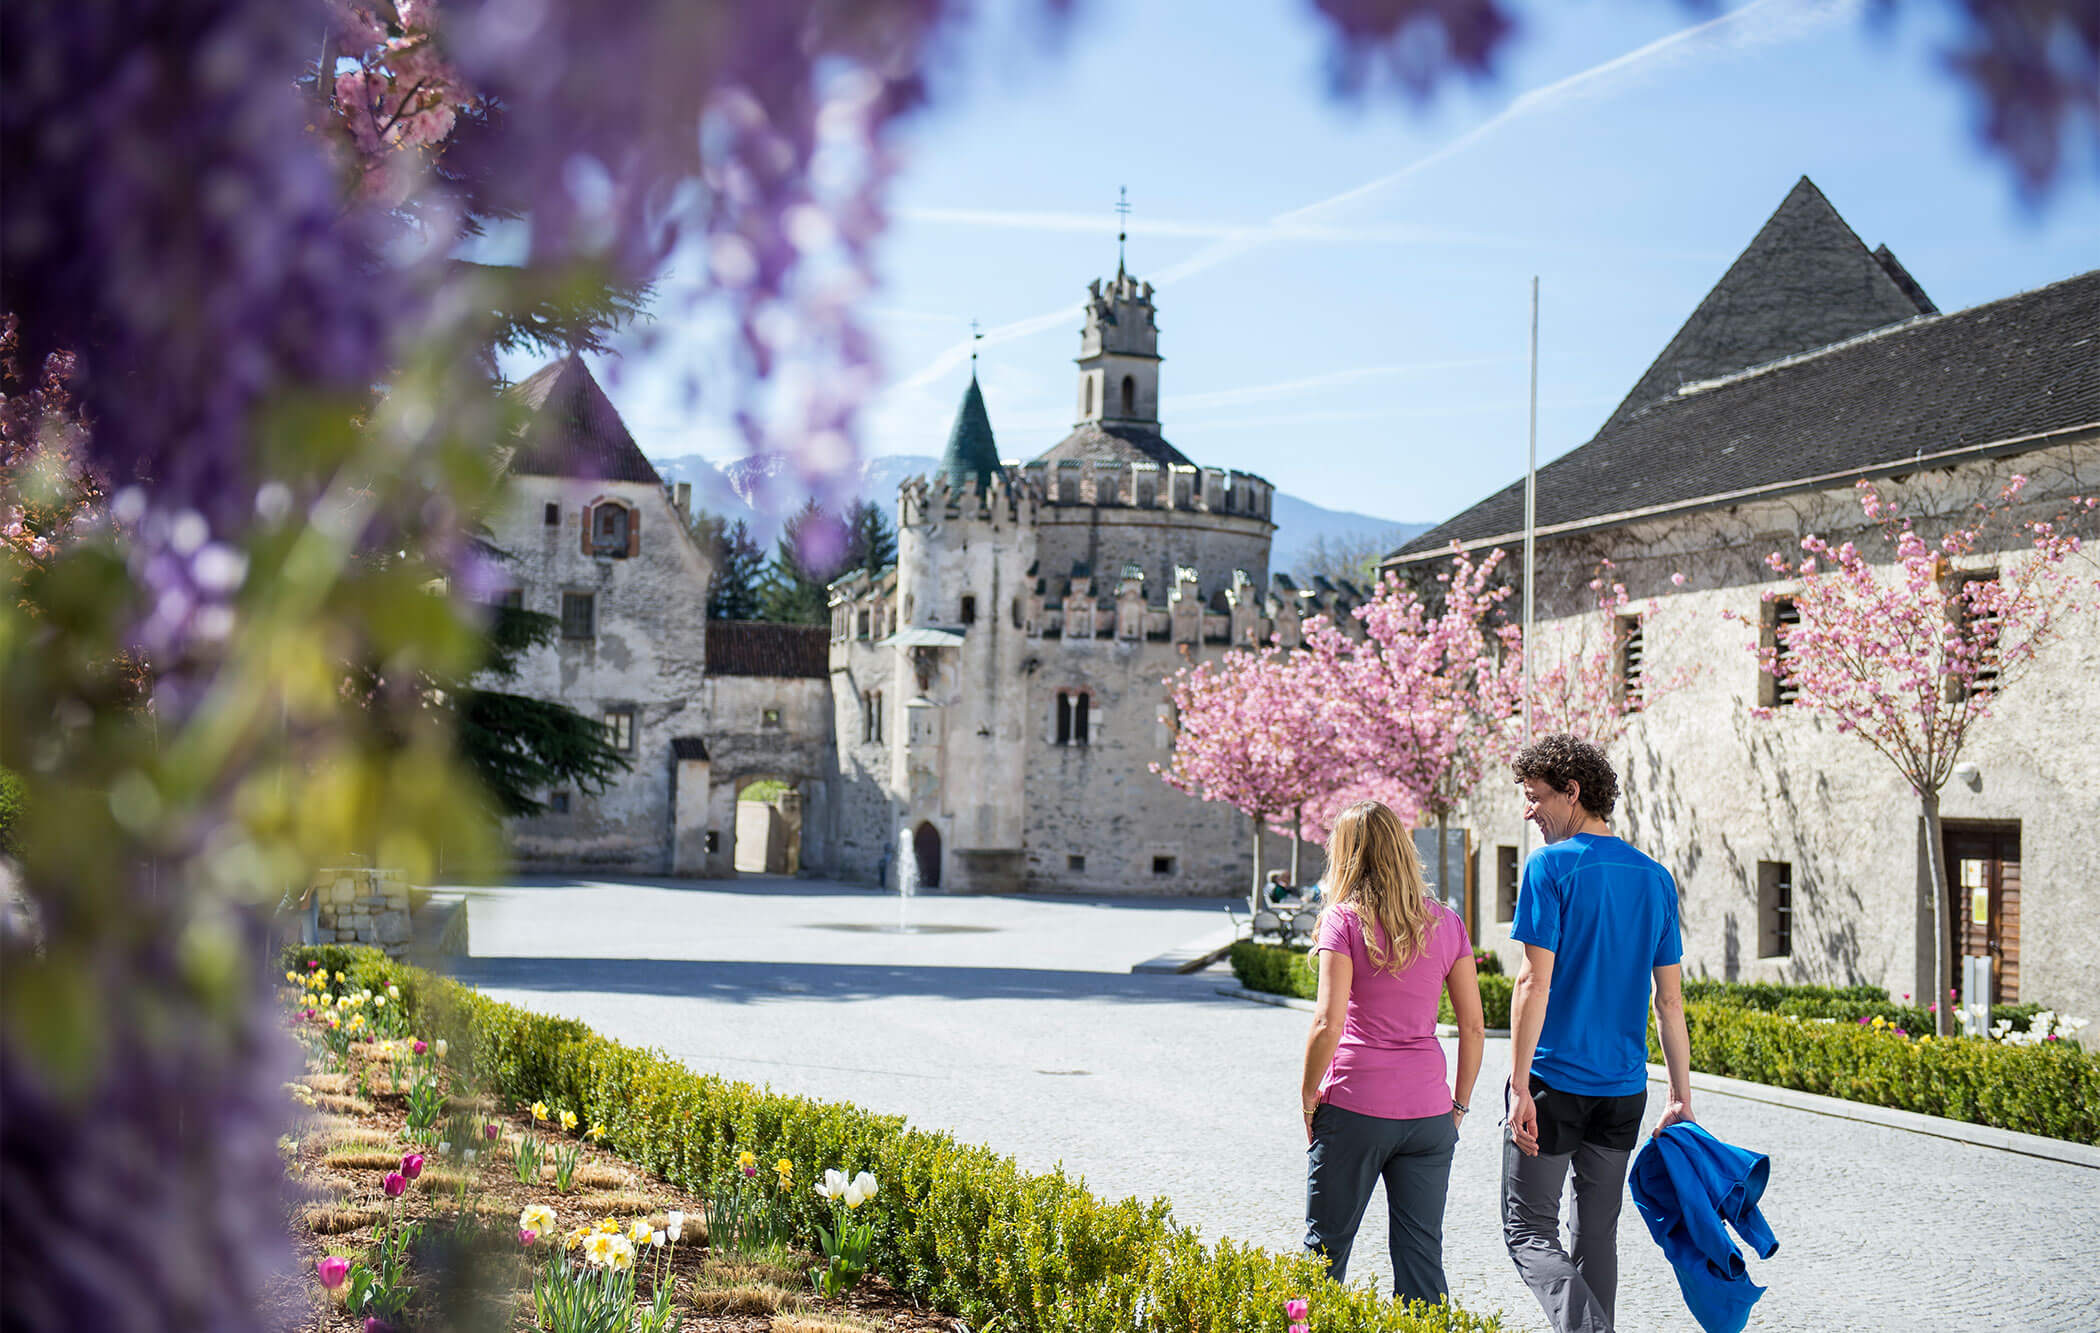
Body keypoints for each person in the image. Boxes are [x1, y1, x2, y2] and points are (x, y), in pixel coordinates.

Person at [1503, 734, 1694, 1333]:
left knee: (1527, 1229)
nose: (1528, 810)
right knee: (1595, 1236)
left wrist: (1518, 1086)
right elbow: (1669, 1001)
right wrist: (1679, 1096)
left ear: (1574, 792)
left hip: (1554, 1082)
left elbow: (1535, 985)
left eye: (1535, 798)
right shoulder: (1656, 878)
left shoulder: (1550, 867)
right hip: (1623, 1091)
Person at [1301, 800, 1485, 1304]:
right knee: (1421, 1258)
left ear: (1346, 855)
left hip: (1356, 1105)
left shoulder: (1343, 920)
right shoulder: (1447, 923)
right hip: (1429, 1114)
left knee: (1323, 1256)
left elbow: (1327, 1021)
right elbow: (1472, 1025)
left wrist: (1308, 1097)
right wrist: (1459, 1107)